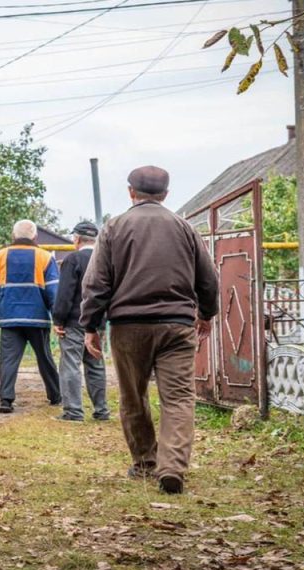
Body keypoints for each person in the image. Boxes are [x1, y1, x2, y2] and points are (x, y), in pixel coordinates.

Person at [79, 166, 218, 495]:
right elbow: (209, 278)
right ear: (166, 194)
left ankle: (145, 462)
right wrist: (206, 313)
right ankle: (172, 468)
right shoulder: (185, 228)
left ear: (131, 192)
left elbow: (96, 283)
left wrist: (91, 325)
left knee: (133, 396)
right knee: (179, 398)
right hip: (177, 326)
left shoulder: (114, 227)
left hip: (129, 327)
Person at [0, 220, 61, 413]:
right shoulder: (44, 256)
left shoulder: (1, 255)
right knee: (44, 358)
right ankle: (55, 395)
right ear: (35, 237)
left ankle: (6, 400)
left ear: (13, 235)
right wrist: (58, 318)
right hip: (37, 317)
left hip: (10, 317)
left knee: (8, 360)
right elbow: (53, 291)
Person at [51, 221, 110, 422]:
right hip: (98, 322)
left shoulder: (73, 259)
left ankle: (73, 411)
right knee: (96, 365)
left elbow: (65, 293)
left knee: (70, 364)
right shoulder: (105, 259)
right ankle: (101, 410)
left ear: (76, 239)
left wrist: (58, 319)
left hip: (74, 321)